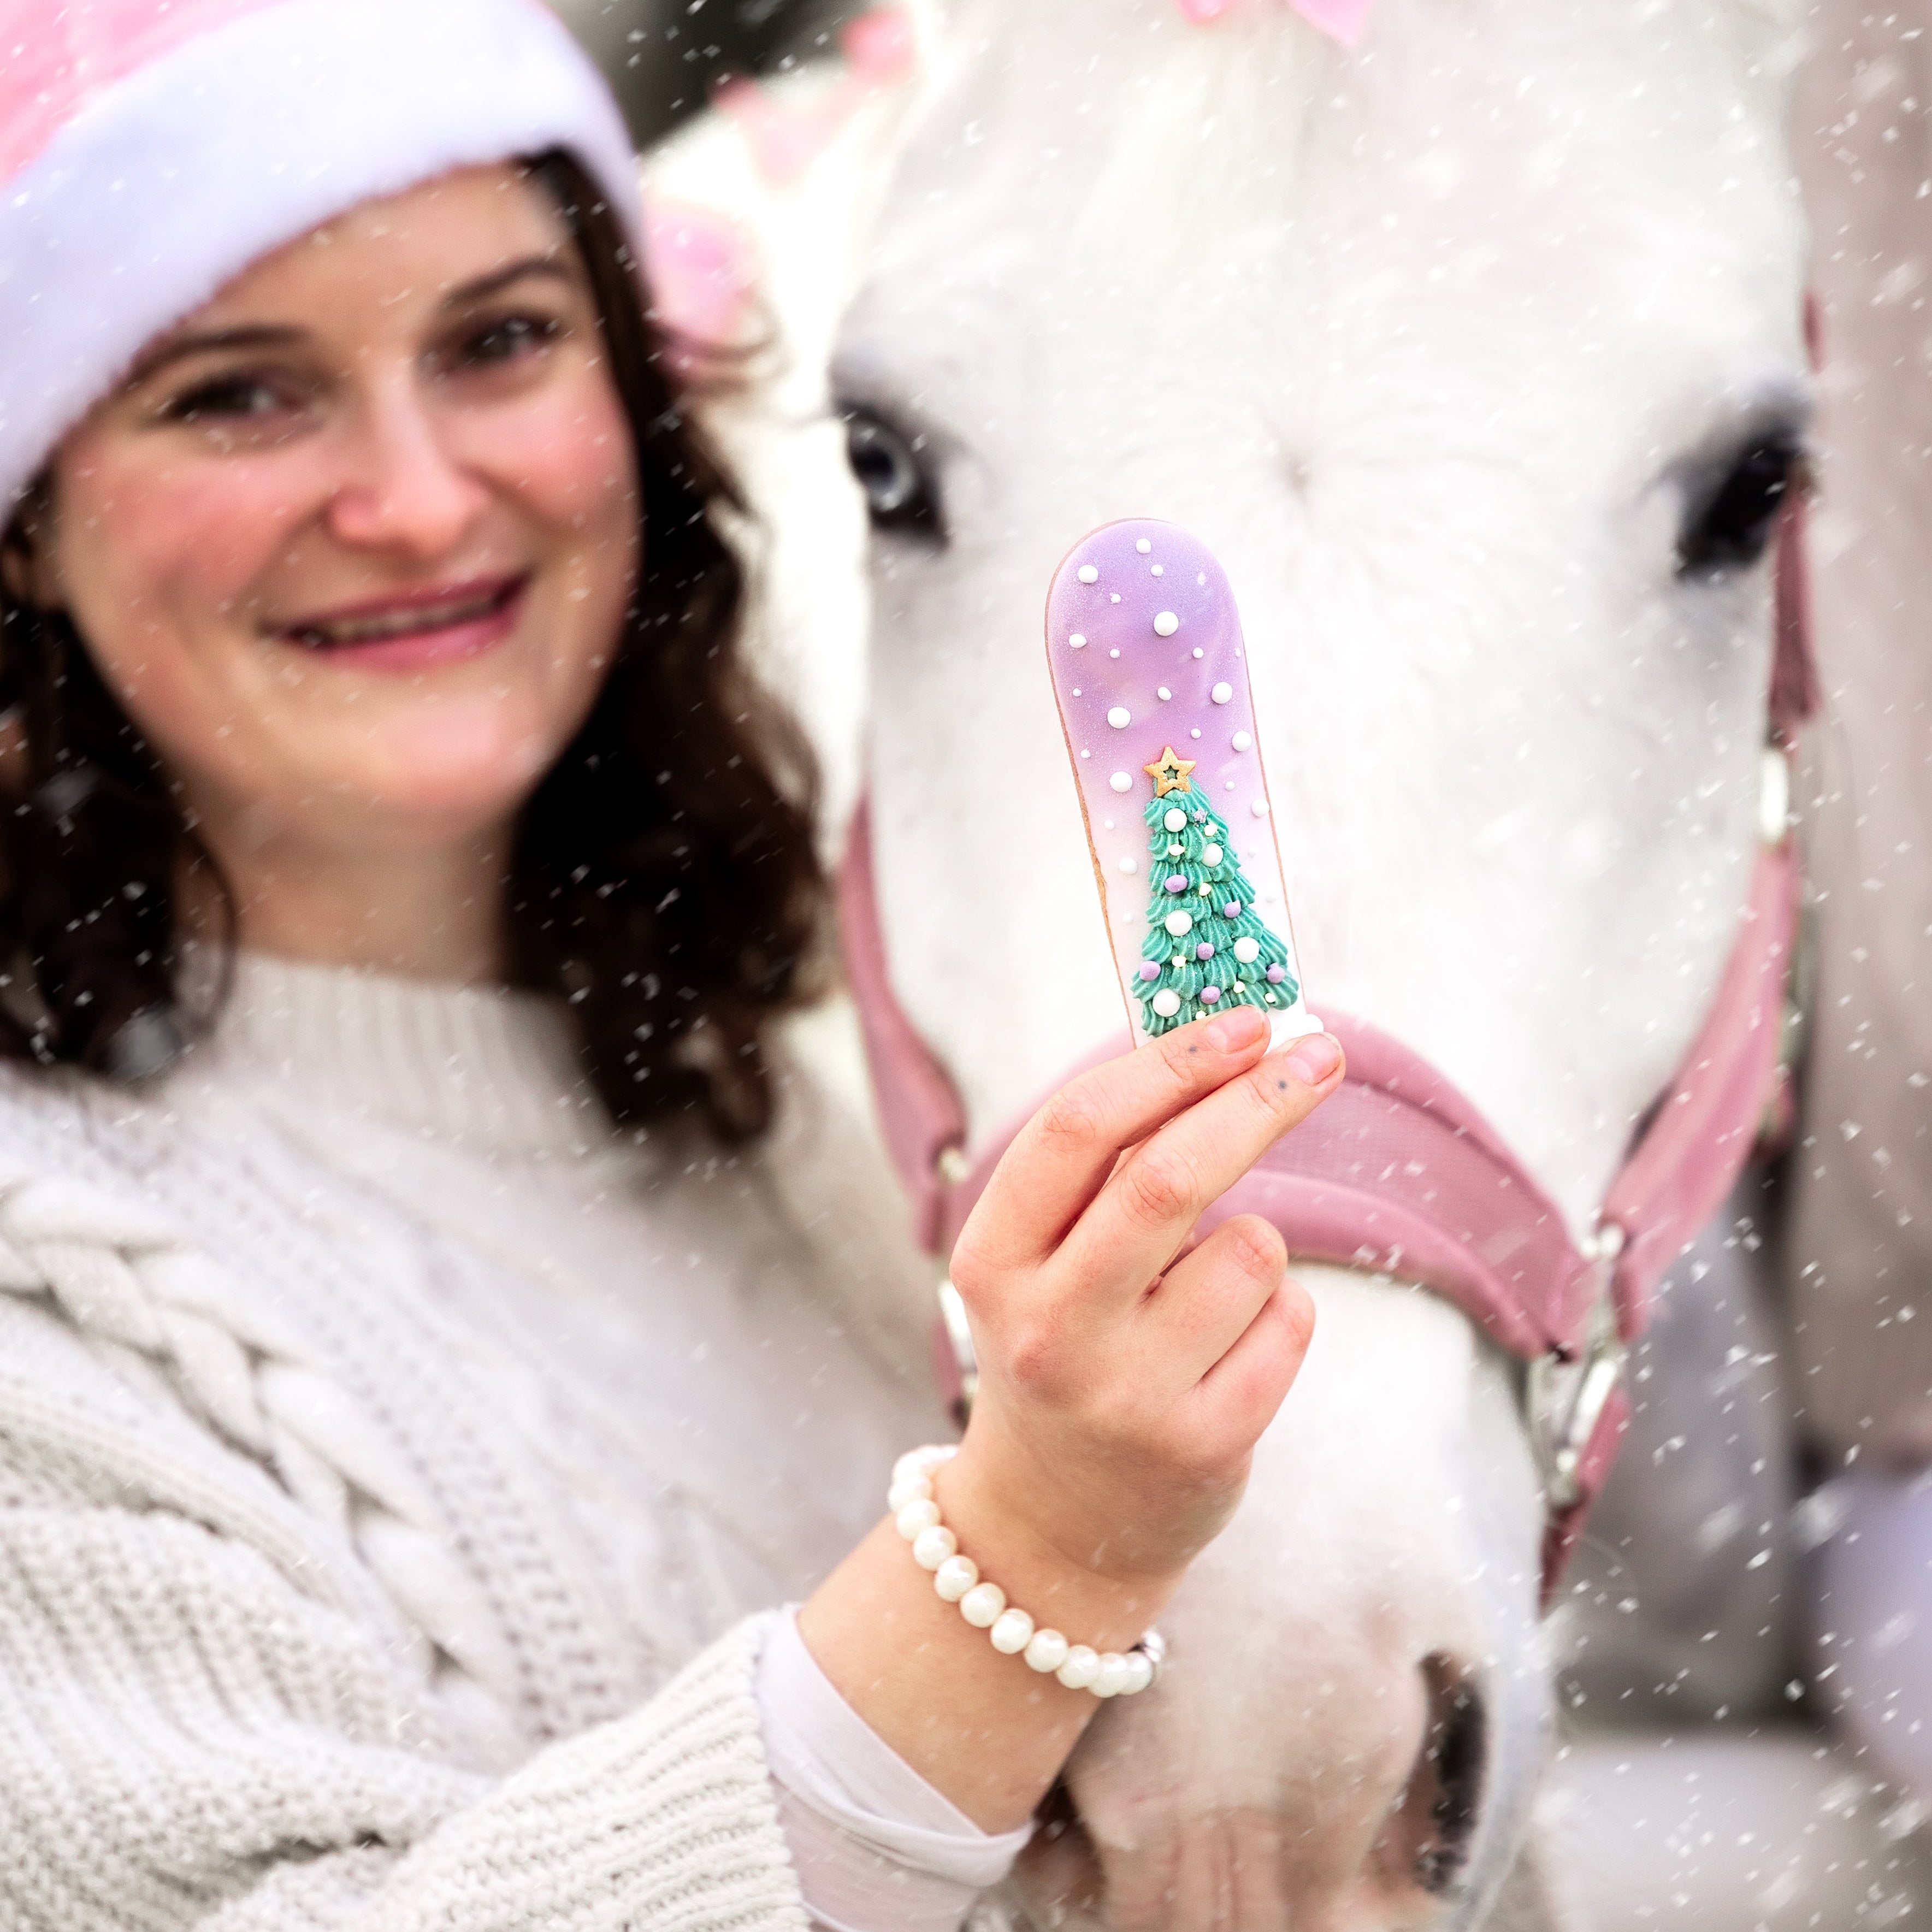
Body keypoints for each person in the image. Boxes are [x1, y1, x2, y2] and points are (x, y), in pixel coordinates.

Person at [0, 3, 1347, 1928]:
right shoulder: (46, 1286)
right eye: (238, 392)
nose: (415, 495)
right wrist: (1032, 1553)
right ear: (31, 517)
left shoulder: (818, 1099)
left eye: (498, 340)